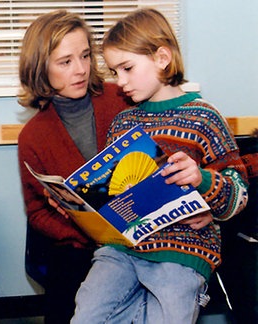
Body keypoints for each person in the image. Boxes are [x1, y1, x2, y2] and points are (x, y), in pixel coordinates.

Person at [70, 8, 249, 323]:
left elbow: (239, 194)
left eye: (127, 68)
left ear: (162, 57)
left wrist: (204, 182)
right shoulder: (123, 122)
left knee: (168, 314)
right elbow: (114, 192)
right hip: (123, 249)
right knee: (88, 312)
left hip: (182, 249)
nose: (120, 82)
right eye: (114, 72)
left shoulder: (204, 118)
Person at [16, 9, 130, 322]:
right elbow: (37, 213)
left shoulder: (121, 97)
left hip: (140, 231)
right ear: (41, 68)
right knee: (67, 294)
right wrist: (75, 223)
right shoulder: (32, 136)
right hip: (80, 246)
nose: (80, 70)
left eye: (85, 56)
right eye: (65, 62)